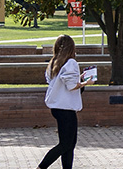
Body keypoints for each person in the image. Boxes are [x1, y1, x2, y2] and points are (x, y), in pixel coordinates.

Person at [38, 35, 95, 169]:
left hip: (57, 107)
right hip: (66, 109)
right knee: (65, 144)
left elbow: (61, 83)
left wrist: (79, 79)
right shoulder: (71, 63)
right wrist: (86, 83)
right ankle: (41, 167)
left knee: (69, 144)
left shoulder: (54, 62)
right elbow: (71, 86)